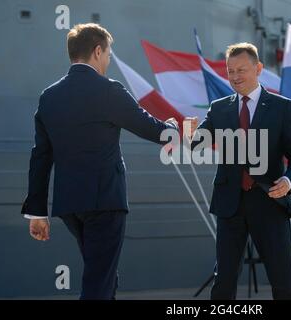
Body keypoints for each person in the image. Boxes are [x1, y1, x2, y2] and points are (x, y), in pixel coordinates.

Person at [21, 23, 181, 300]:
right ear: (97, 51)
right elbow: (152, 130)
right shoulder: (108, 90)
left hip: (69, 205)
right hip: (104, 202)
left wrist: (37, 211)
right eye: (107, 53)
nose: (108, 60)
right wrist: (174, 129)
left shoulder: (49, 96)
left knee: (103, 274)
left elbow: (41, 156)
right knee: (99, 279)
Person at [189, 42, 291, 300]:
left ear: (259, 69)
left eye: (241, 70)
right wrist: (188, 134)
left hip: (269, 202)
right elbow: (198, 141)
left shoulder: (282, 107)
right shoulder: (219, 108)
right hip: (229, 204)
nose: (235, 77)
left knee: (283, 281)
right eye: (230, 71)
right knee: (223, 282)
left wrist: (289, 180)